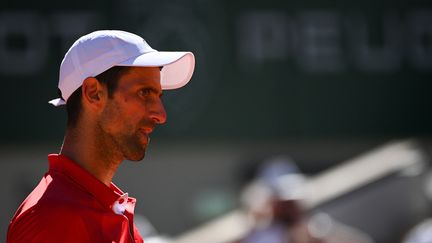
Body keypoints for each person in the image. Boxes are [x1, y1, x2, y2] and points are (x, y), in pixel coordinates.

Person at [7, 30, 195, 243]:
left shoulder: (112, 213)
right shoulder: (50, 220)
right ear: (93, 93)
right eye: (144, 93)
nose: (161, 115)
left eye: (158, 96)